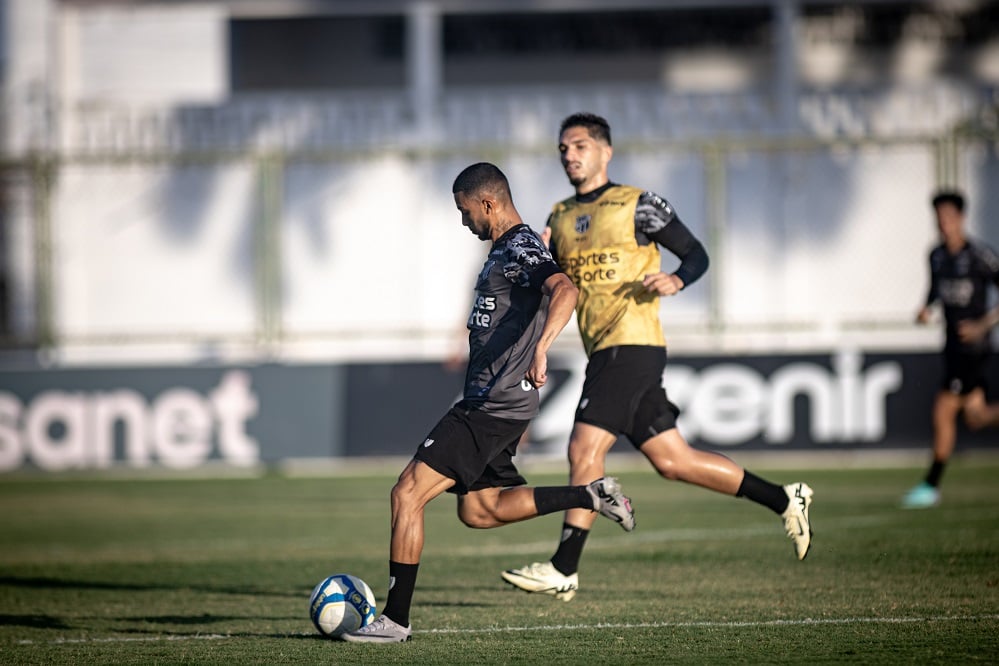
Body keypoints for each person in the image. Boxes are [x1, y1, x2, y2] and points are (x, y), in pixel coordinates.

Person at [501, 112, 814, 602]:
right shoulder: (559, 217)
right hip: (604, 350)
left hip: (632, 345)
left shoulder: (638, 205)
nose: (570, 155)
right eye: (563, 148)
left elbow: (697, 255)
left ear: (605, 151)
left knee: (584, 451)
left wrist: (676, 279)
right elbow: (553, 288)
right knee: (674, 460)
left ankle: (564, 568)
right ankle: (783, 498)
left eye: (580, 145)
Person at [341, 162, 635, 643]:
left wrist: (542, 347)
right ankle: (590, 494)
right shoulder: (510, 248)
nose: (463, 222)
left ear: (488, 203)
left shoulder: (519, 245)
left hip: (492, 403)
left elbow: (565, 289)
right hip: (499, 400)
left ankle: (394, 620)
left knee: (407, 494)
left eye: (464, 211)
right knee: (480, 511)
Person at [901, 189, 999, 509]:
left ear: (961, 219)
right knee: (976, 416)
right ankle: (931, 486)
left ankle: (931, 485)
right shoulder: (937, 256)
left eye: (949, 218)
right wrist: (925, 310)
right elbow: (934, 292)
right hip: (952, 350)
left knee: (943, 409)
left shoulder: (980, 257)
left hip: (975, 350)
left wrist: (983, 325)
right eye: (939, 219)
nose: (944, 224)